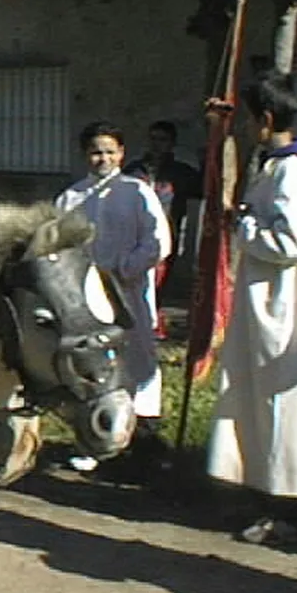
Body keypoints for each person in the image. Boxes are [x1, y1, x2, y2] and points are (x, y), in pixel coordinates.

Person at [204, 70, 297, 543]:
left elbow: (292, 242)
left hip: (282, 310)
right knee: (257, 401)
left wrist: (244, 227)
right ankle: (260, 493)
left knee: (280, 405)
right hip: (263, 303)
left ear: (264, 119)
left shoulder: (292, 173)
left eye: (246, 120)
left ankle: (285, 506)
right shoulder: (274, 167)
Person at [54, 121, 171, 470]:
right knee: (96, 363)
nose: (102, 158)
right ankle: (96, 438)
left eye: (109, 151)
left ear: (121, 153)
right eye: (95, 152)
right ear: (84, 155)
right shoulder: (71, 198)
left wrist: (125, 268)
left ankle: (143, 441)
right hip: (88, 296)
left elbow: (158, 242)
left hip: (129, 291)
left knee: (138, 358)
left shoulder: (136, 192)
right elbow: (59, 246)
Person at [123, 119, 202, 338]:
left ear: (172, 143)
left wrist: (207, 161)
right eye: (153, 139)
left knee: (159, 280)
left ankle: (153, 320)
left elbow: (203, 188)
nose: (157, 144)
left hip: (167, 236)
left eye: (163, 140)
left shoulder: (180, 173)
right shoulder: (134, 170)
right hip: (134, 234)